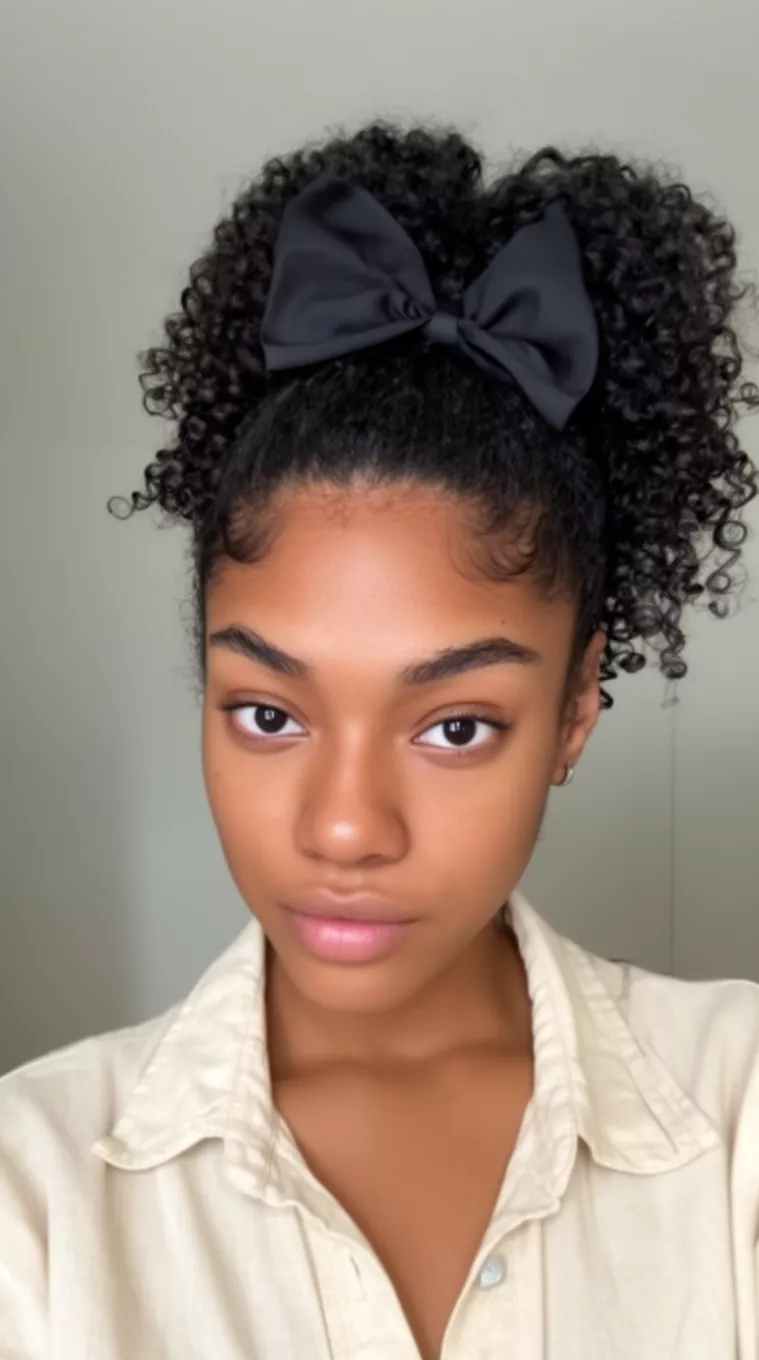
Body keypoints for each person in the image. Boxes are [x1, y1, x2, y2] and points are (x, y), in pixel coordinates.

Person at [1, 119, 758, 1360]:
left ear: (576, 709)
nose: (344, 824)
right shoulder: (30, 1193)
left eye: (455, 725)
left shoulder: (740, 1122)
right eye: (268, 713)